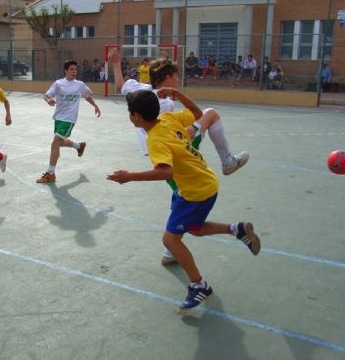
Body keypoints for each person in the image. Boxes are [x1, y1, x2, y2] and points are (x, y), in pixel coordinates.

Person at [107, 88, 261, 312]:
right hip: (202, 183)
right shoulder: (168, 118)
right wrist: (177, 94)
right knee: (195, 228)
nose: (130, 116)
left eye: (130, 113)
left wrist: (129, 177)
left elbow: (165, 172)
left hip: (195, 192)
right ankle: (236, 229)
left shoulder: (155, 140)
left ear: (137, 116)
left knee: (170, 240)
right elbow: (197, 112)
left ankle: (200, 286)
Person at [108, 47, 249, 176]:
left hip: (153, 144)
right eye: (176, 76)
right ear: (168, 77)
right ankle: (227, 162)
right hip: (167, 145)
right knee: (211, 113)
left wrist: (116, 63)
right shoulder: (165, 103)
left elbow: (120, 85)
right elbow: (172, 130)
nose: (178, 79)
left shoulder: (138, 89)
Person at [36, 60, 101, 183]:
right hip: (59, 117)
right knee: (59, 143)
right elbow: (47, 95)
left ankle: (50, 173)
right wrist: (48, 100)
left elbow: (87, 96)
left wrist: (95, 106)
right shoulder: (58, 84)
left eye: (75, 69)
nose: (74, 71)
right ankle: (79, 146)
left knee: (55, 143)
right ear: (65, 70)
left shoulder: (79, 85)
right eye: (71, 69)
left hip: (69, 119)